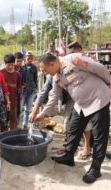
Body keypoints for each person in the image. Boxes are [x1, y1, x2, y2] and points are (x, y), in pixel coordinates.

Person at [35, 52, 111, 183]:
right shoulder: (56, 76)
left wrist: (109, 82)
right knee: (73, 128)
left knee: (99, 135)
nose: (45, 73)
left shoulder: (74, 60)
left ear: (52, 64)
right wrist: (43, 114)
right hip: (81, 104)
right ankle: (68, 156)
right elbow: (54, 95)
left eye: (45, 70)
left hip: (98, 99)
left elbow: (98, 68)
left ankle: (95, 168)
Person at [1, 54, 21, 130]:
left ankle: (12, 134)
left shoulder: (17, 74)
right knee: (3, 120)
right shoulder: (0, 73)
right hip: (2, 101)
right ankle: (4, 135)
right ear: (5, 63)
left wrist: (19, 96)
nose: (10, 67)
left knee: (13, 120)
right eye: (8, 65)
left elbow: (19, 88)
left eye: (12, 65)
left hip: (13, 101)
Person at [22, 51, 38, 128]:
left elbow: (35, 78)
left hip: (31, 90)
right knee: (21, 108)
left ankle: (25, 124)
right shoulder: (22, 67)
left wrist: (36, 88)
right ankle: (18, 125)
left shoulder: (34, 68)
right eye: (28, 58)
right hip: (23, 91)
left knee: (28, 109)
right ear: (25, 58)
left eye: (31, 58)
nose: (30, 59)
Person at [14, 52, 25, 123]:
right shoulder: (11, 69)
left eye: (21, 61)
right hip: (10, 93)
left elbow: (22, 83)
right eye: (17, 61)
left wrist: (21, 93)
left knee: (18, 110)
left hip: (18, 94)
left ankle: (16, 125)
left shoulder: (23, 70)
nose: (19, 63)